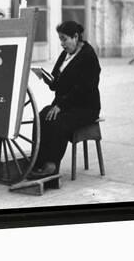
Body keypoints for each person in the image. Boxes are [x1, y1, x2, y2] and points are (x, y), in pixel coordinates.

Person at [29, 21, 101, 179]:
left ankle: (51, 165)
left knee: (58, 121)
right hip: (65, 104)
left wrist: (61, 105)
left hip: (85, 107)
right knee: (41, 117)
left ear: (75, 37)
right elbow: (56, 82)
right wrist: (48, 79)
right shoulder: (66, 53)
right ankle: (37, 161)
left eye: (64, 39)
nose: (62, 44)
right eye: (60, 40)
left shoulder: (88, 56)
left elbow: (84, 88)